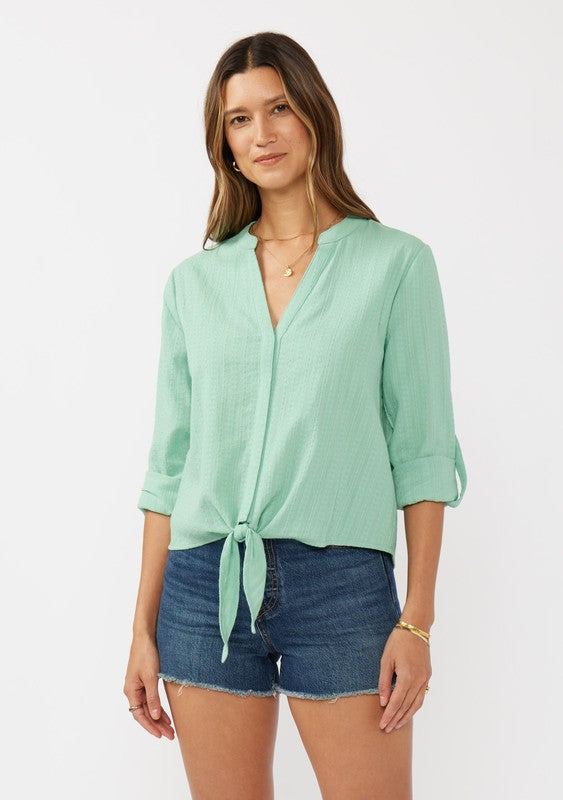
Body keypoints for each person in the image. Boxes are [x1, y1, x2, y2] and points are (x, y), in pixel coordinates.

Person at [123, 31, 467, 800]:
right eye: (239, 119)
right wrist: (141, 630)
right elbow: (168, 468)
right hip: (202, 586)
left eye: (278, 108)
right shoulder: (193, 284)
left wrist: (415, 621)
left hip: (341, 584)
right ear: (224, 143)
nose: (262, 133)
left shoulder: (394, 264)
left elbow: (421, 453)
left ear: (314, 113)